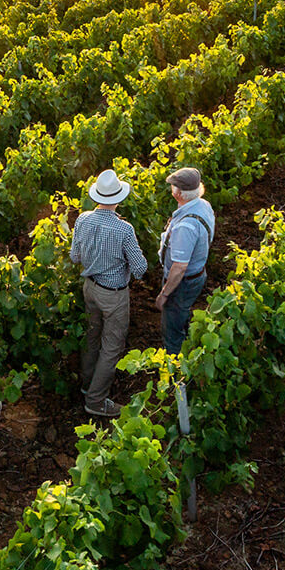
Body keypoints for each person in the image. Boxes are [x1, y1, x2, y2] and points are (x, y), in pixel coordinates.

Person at [69, 169, 148, 418]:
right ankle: (96, 400)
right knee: (111, 346)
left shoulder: (82, 219)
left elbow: (75, 256)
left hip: (89, 289)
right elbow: (140, 269)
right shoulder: (124, 230)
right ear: (119, 198)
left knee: (93, 337)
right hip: (113, 295)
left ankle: (86, 385)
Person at [154, 167, 214, 354]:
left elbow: (179, 267)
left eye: (173, 187)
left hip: (183, 282)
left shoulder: (186, 226)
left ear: (178, 193)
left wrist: (164, 294)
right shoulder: (202, 205)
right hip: (197, 274)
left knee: (172, 329)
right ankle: (186, 340)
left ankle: (177, 376)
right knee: (182, 313)